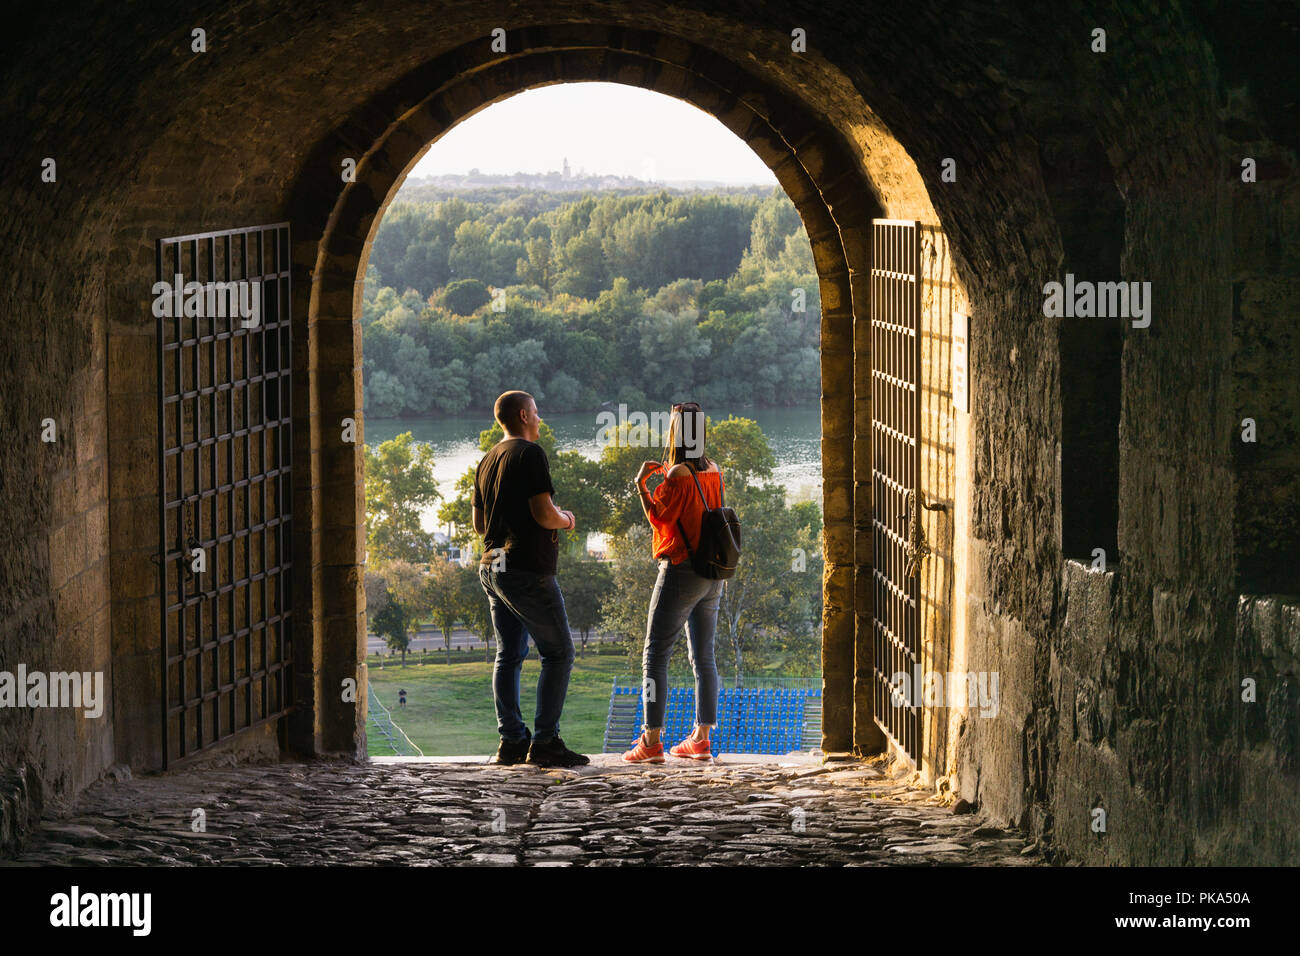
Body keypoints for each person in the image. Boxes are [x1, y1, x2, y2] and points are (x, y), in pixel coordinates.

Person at [473, 390, 589, 768]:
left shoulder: (487, 459)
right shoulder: (530, 454)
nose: (540, 419)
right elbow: (543, 514)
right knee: (559, 652)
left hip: (493, 566)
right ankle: (544, 743)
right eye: (537, 413)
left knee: (509, 655)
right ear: (523, 415)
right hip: (525, 568)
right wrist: (566, 519)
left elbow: (479, 525)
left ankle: (511, 743)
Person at [623, 402, 724, 763]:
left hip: (682, 570)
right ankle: (701, 737)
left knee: (655, 654)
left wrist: (641, 485)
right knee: (704, 658)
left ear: (676, 432)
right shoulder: (714, 469)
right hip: (713, 574)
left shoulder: (678, 474)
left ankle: (651, 741)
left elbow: (659, 520)